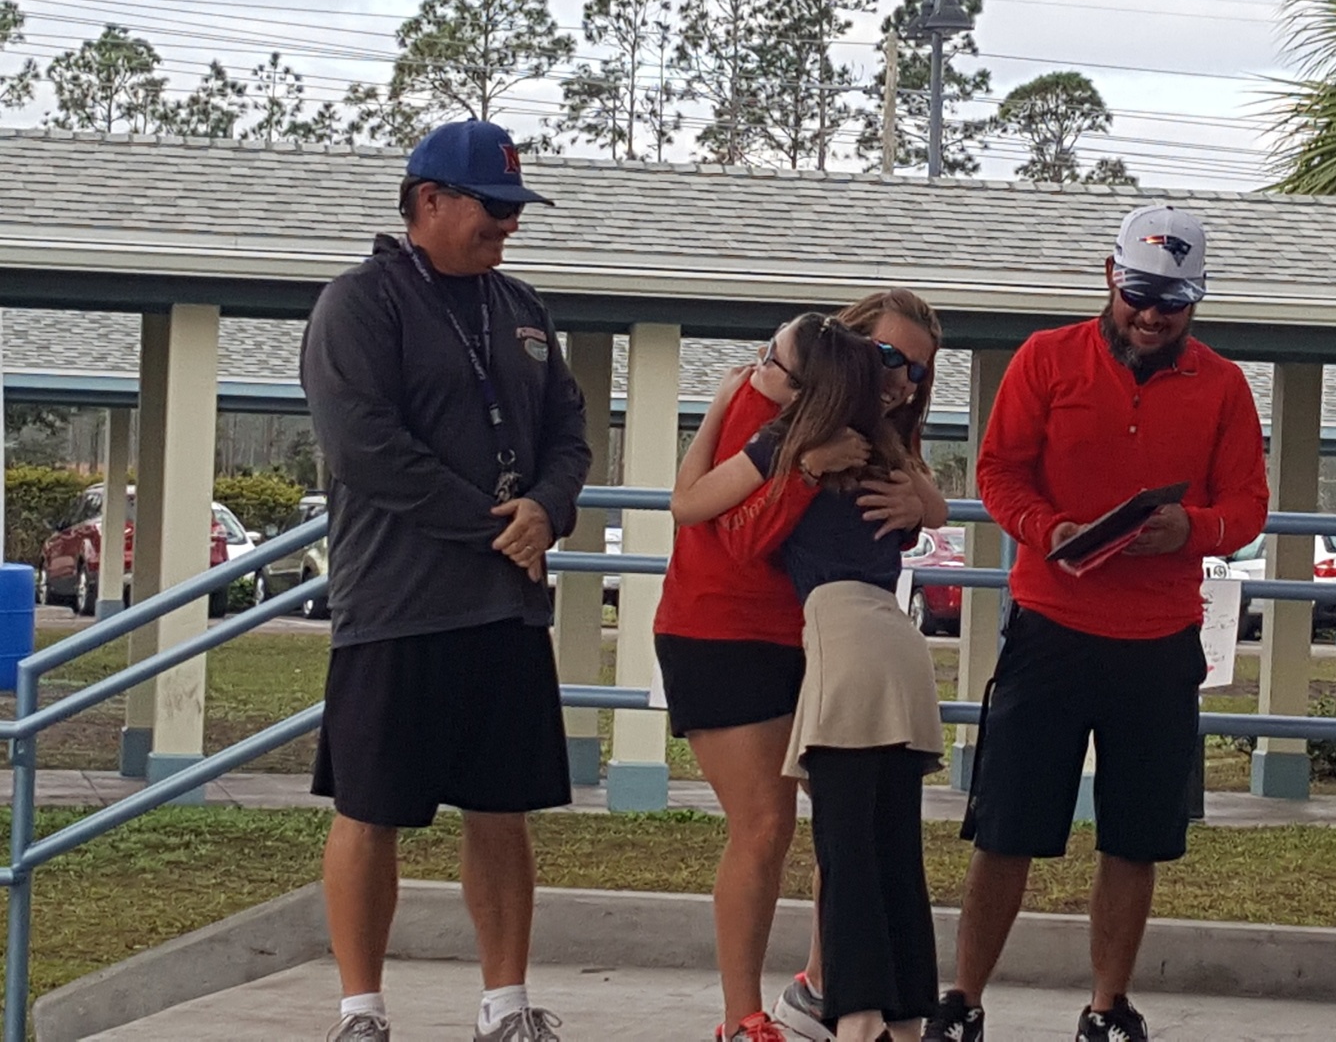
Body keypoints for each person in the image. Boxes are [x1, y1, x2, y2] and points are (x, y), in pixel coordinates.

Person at [925, 206, 1268, 1042]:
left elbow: (1248, 506)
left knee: (1135, 836)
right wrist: (1049, 530)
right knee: (1006, 825)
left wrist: (1192, 528)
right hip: (1051, 625)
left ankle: (1107, 1007)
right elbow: (999, 471)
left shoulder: (1223, 385)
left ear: (1198, 301)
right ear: (1109, 275)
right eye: (1141, 294)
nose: (1152, 317)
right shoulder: (1047, 359)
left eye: (1174, 302)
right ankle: (964, 1000)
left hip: (1158, 642)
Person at [301, 119, 591, 1042]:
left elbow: (571, 434)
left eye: (515, 211)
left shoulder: (524, 309)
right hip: (397, 603)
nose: (509, 227)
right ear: (429, 201)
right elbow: (365, 448)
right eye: (493, 209)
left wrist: (546, 507)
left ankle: (505, 1005)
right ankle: (362, 1011)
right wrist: (492, 526)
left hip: (503, 607)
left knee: (501, 807)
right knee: (369, 807)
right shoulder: (360, 304)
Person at [655, 290, 947, 1042]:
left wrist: (918, 500)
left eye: (917, 369)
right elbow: (698, 511)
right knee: (765, 822)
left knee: (846, 823)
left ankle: (828, 988)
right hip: (723, 630)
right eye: (887, 356)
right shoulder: (773, 397)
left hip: (817, 638)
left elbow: (928, 502)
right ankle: (741, 1017)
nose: (901, 379)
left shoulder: (870, 428)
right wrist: (798, 465)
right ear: (845, 345)